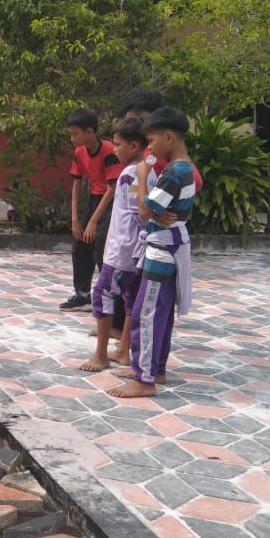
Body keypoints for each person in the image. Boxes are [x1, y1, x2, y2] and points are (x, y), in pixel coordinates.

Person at [110, 108, 196, 398]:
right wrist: (154, 212)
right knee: (161, 312)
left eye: (152, 141)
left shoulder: (174, 172)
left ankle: (144, 379)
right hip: (169, 243)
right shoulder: (184, 169)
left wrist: (144, 176)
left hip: (162, 249)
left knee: (147, 313)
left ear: (169, 137)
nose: (150, 148)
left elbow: (147, 209)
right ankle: (154, 368)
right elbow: (156, 211)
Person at [80, 119, 149, 373]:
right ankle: (123, 349)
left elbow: (138, 212)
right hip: (133, 248)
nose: (115, 149)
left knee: (103, 293)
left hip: (123, 248)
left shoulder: (131, 174)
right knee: (130, 297)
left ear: (133, 145)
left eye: (118, 145)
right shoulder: (147, 169)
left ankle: (101, 355)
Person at [61, 109, 121, 312]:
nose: (72, 138)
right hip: (95, 199)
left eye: (75, 133)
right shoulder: (79, 153)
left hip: (112, 201)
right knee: (80, 245)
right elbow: (77, 184)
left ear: (89, 132)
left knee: (101, 246)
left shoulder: (110, 151)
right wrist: (75, 220)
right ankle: (82, 294)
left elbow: (112, 189)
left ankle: (110, 297)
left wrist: (94, 222)